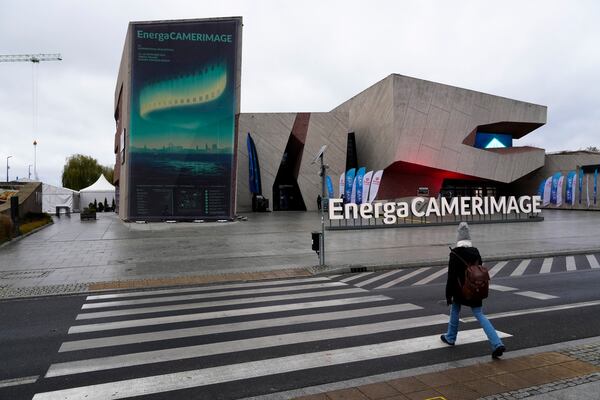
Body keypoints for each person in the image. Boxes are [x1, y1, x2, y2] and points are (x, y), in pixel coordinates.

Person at [440, 222, 506, 359]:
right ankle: (497, 343)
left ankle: (451, 337)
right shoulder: (475, 251)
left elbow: (451, 277)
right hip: (474, 289)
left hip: (460, 290)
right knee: (480, 315)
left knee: (455, 310)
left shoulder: (455, 254)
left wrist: (448, 296)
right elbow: (479, 269)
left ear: (458, 238)